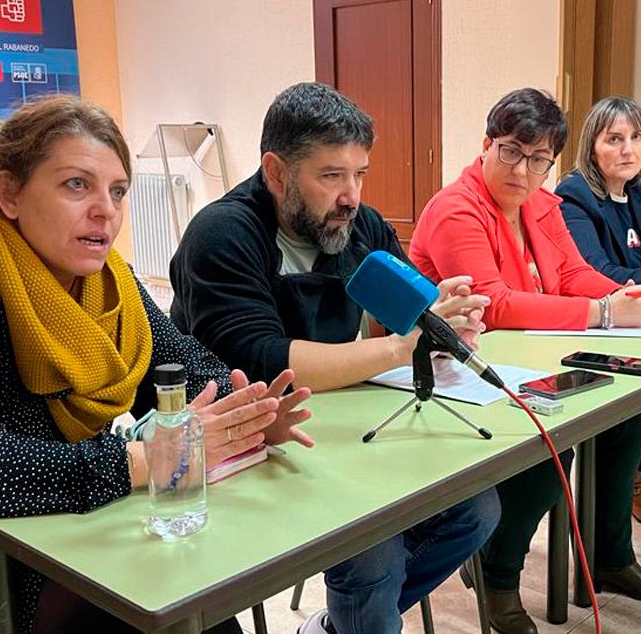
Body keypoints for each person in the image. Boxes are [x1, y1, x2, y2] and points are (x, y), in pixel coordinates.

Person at [0, 95, 312, 634]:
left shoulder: (111, 285)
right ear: (9, 193)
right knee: (177, 610)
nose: (105, 211)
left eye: (117, 191)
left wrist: (243, 414)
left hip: (56, 537)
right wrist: (141, 460)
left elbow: (181, 365)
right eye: (76, 185)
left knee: (194, 607)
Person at [168, 82, 500, 634]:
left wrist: (444, 321)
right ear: (275, 173)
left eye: (359, 174)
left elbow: (410, 312)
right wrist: (400, 347)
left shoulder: (359, 226)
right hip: (247, 443)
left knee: (475, 508)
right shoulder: (223, 234)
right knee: (374, 551)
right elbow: (265, 362)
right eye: (330, 176)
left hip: (343, 429)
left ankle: (336, 625)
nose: (351, 195)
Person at [409, 88, 641, 634]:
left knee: (621, 413)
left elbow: (573, 274)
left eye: (538, 160)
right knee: (550, 448)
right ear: (485, 145)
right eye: (510, 151)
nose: (523, 170)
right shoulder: (454, 209)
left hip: (532, 358)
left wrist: (624, 296)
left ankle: (609, 558)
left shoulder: (541, 203)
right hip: (456, 373)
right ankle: (498, 576)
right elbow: (495, 303)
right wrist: (602, 315)